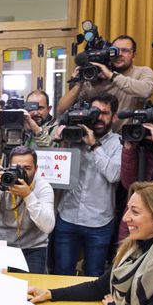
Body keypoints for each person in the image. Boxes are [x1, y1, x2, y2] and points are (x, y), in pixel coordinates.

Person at [54, 93, 123, 276]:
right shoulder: (73, 135)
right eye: (94, 112)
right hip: (68, 216)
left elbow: (114, 175)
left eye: (105, 113)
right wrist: (59, 143)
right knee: (61, 273)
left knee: (94, 275)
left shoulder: (118, 143)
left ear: (114, 117)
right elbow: (53, 174)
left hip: (99, 221)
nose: (98, 117)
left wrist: (94, 145)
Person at [0, 146, 55, 273]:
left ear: (36, 169)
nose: (21, 173)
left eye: (27, 168)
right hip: (4, 246)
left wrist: (28, 196)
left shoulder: (43, 188)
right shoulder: (4, 181)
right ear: (9, 167)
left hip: (33, 248)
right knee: (0, 286)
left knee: (31, 289)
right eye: (17, 168)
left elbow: (48, 227)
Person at [57, 34, 153, 131]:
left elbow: (146, 91)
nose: (119, 54)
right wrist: (79, 83)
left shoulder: (142, 72)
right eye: (114, 50)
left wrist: (111, 75)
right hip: (96, 137)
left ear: (134, 55)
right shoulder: (95, 75)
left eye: (125, 50)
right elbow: (61, 110)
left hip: (126, 138)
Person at [0, 90, 59, 159]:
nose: (35, 113)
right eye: (32, 107)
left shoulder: (56, 128)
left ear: (49, 109)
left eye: (40, 108)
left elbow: (52, 155)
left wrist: (35, 128)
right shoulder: (18, 124)